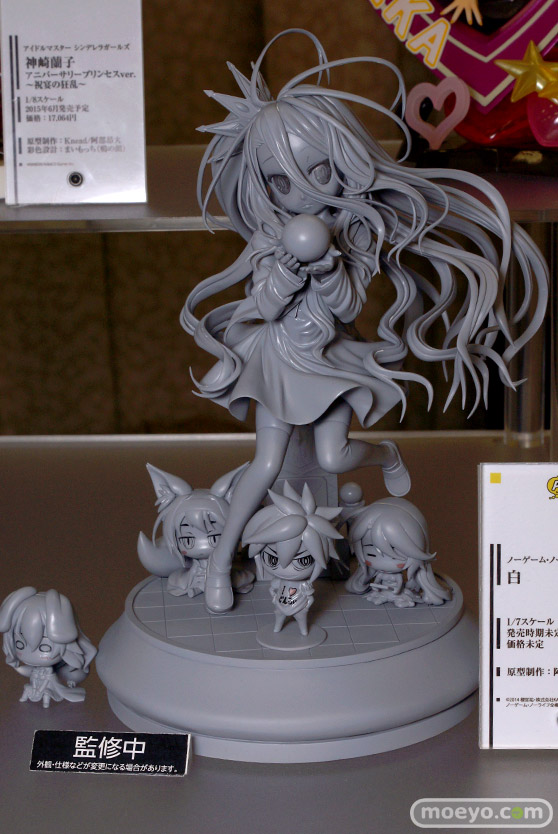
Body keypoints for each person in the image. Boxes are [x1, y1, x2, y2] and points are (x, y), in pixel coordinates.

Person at [181, 29, 548, 613]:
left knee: (332, 458)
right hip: (278, 360)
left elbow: (349, 309)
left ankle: (385, 454)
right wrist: (286, 274)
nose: (301, 194)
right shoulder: (269, 239)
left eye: (319, 173)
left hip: (328, 362)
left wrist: (328, 268)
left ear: (344, 166)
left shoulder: (351, 233)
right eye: (281, 182)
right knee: (266, 463)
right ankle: (222, 563)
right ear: (263, 185)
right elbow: (266, 307)